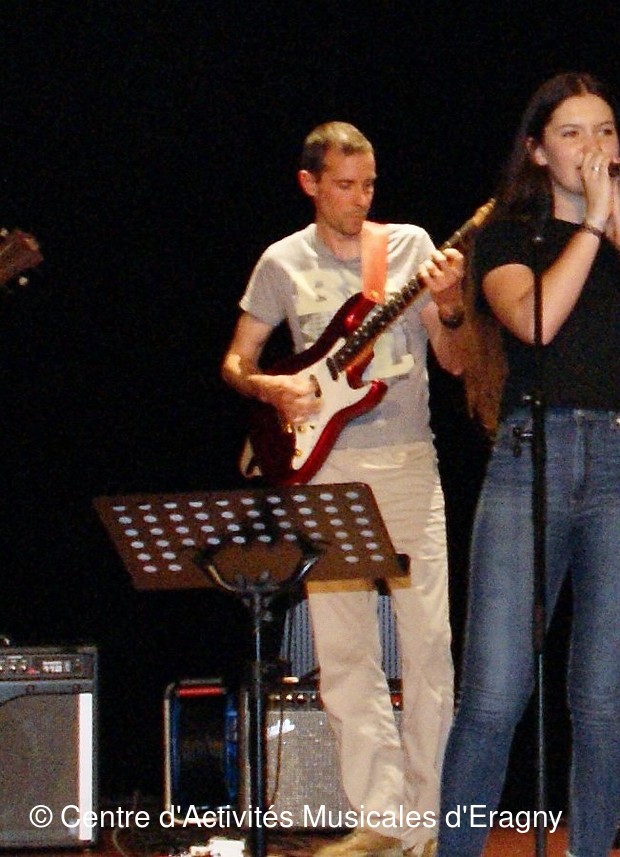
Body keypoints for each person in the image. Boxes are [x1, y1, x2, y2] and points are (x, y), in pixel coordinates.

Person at [437, 72, 620, 857]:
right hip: (533, 454)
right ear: (537, 150)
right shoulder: (507, 236)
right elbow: (536, 320)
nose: (594, 147)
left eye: (605, 131)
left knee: (602, 700)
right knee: (493, 694)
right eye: (573, 133)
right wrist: (589, 226)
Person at [221, 121, 466, 857]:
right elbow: (236, 361)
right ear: (310, 184)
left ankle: (429, 820)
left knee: (429, 646)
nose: (361, 199)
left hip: (408, 463)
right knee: (346, 651)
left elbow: (455, 360)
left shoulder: (411, 247)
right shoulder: (281, 261)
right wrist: (272, 387)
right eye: (345, 185)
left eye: (369, 185)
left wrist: (451, 304)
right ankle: (381, 818)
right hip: (323, 470)